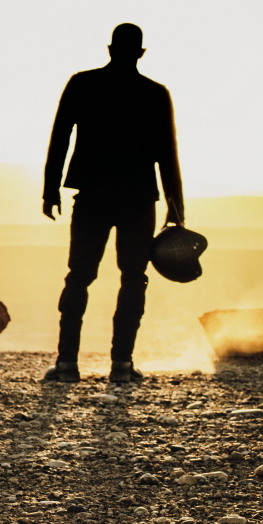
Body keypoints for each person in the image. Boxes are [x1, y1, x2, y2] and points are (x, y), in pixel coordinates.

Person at [41, 22, 184, 386]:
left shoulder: (82, 84)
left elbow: (59, 137)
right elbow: (168, 153)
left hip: (92, 195)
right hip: (138, 198)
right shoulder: (154, 93)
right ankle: (122, 365)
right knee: (134, 277)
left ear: (109, 49)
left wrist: (50, 189)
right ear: (140, 53)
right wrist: (175, 204)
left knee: (79, 276)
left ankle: (66, 364)